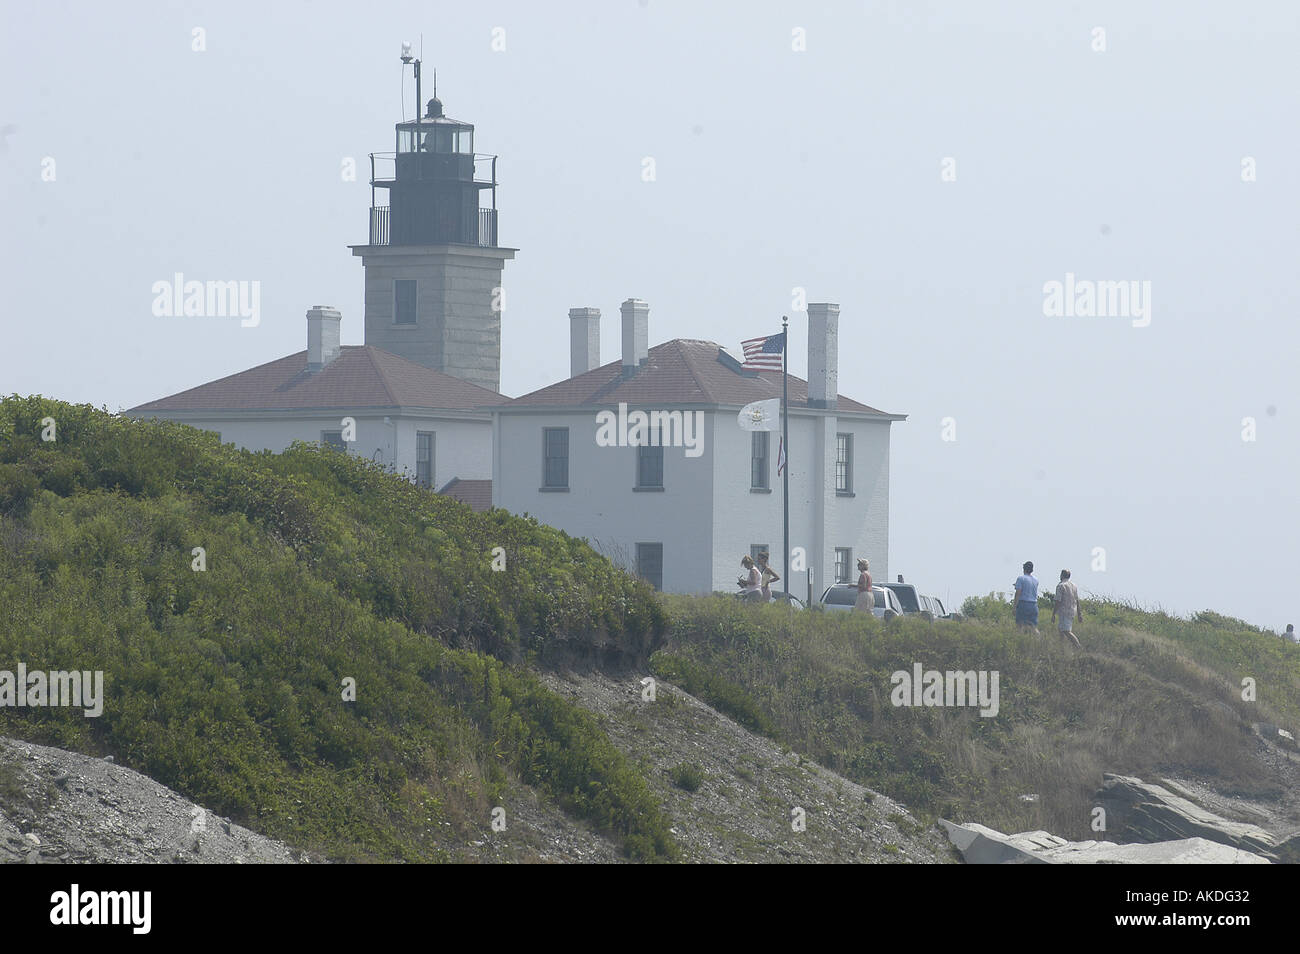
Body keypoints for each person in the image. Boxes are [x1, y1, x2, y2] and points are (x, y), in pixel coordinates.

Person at [1052, 569, 1083, 648]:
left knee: (1066, 631)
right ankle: (1062, 650)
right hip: (1072, 611)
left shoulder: (1061, 586)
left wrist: (1053, 614)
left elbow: (1058, 601)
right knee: (1061, 631)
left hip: (1064, 611)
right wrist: (1079, 614)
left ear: (1062, 575)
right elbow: (1077, 600)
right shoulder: (1074, 586)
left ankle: (1078, 646)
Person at [1013, 561, 1040, 634]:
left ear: (1024, 568)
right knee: (1033, 626)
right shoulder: (1036, 580)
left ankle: (1020, 641)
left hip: (1023, 604)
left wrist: (1014, 607)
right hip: (1034, 605)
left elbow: (1018, 593)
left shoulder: (1020, 578)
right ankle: (1039, 640)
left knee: (1020, 626)